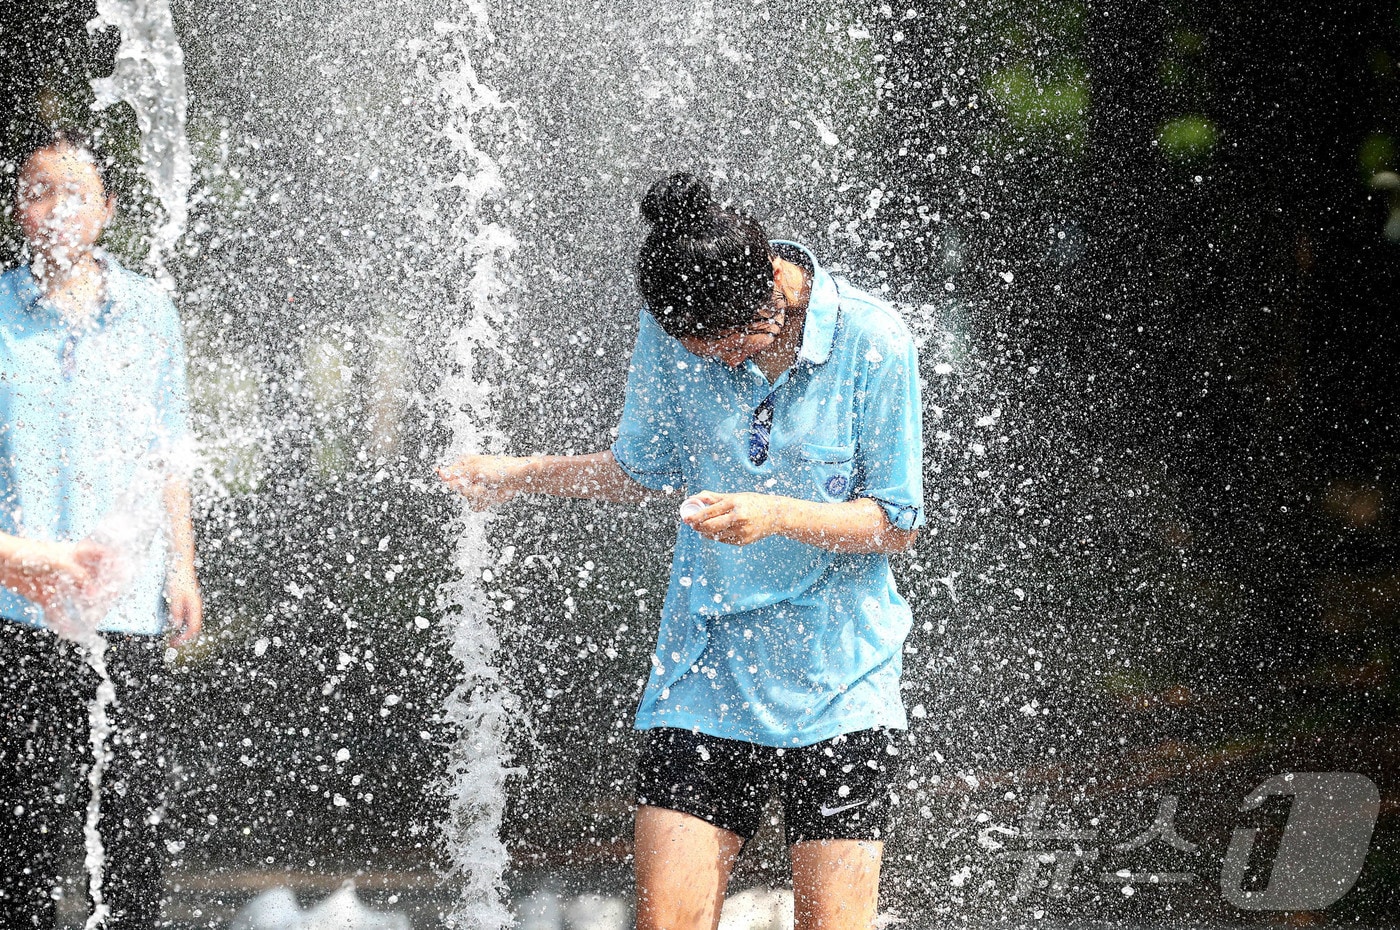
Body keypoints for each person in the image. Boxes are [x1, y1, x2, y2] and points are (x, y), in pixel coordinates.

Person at [440, 172, 924, 930]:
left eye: (731, 343)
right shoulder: (678, 332)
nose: (719, 362)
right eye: (698, 348)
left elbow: (897, 522)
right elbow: (641, 471)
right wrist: (516, 475)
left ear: (771, 287)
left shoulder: (874, 341)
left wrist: (774, 514)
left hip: (839, 679)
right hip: (706, 670)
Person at [0, 126, 202, 928]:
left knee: (134, 819)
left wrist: (182, 567)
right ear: (18, 211)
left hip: (125, 605)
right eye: (39, 191)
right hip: (17, 606)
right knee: (23, 827)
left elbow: (169, 452)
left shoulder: (150, 311)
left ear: (107, 211)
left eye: (75, 193)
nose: (56, 208)